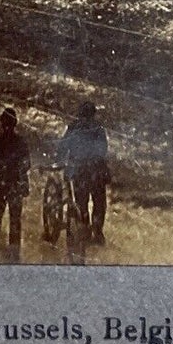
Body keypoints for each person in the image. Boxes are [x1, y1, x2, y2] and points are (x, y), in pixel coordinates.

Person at [57, 101, 109, 244]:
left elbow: (62, 146)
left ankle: (85, 230)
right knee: (99, 203)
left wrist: (61, 160)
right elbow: (103, 150)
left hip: (80, 171)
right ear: (93, 114)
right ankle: (97, 232)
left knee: (82, 202)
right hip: (96, 171)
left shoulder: (73, 127)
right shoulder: (99, 129)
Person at [0, 108, 31, 255]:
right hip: (15, 185)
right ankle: (14, 250)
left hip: (0, 185)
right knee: (15, 218)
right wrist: (20, 178)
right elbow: (26, 164)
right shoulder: (21, 143)